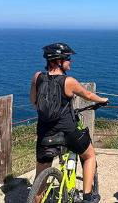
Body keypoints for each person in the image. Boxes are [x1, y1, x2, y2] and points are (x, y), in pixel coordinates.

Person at [30, 42, 108, 203]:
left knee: (40, 182)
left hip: (45, 133)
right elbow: (87, 94)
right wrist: (102, 100)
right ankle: (87, 196)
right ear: (58, 61)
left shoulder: (37, 77)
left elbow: (34, 101)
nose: (70, 62)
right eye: (67, 58)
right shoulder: (68, 81)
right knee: (89, 156)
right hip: (68, 132)